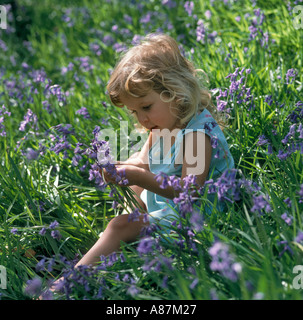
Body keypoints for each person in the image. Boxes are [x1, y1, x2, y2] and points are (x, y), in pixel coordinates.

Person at [74, 33, 234, 268]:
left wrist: (136, 175)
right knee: (135, 180)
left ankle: (69, 282)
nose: (142, 118)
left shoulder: (197, 135)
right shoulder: (162, 124)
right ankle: (126, 234)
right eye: (134, 112)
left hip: (196, 217)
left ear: (175, 92)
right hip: (169, 203)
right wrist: (120, 168)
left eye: (146, 107)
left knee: (119, 225)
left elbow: (190, 192)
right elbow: (143, 162)